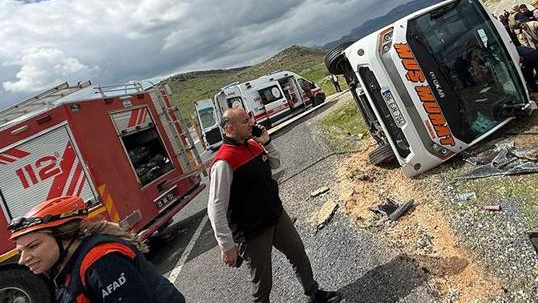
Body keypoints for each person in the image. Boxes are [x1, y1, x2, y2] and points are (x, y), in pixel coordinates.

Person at [207, 108, 341, 303]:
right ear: (230, 128)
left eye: (249, 118)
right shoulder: (223, 162)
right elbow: (215, 208)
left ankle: (314, 294)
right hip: (252, 231)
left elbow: (275, 163)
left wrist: (267, 143)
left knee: (298, 254)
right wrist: (227, 245)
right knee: (262, 283)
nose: (251, 123)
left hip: (275, 216)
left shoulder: (253, 143)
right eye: (245, 121)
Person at [10, 195, 186, 303]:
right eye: (20, 251)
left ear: (63, 237)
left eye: (33, 246)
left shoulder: (101, 262)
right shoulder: (63, 267)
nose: (23, 259)